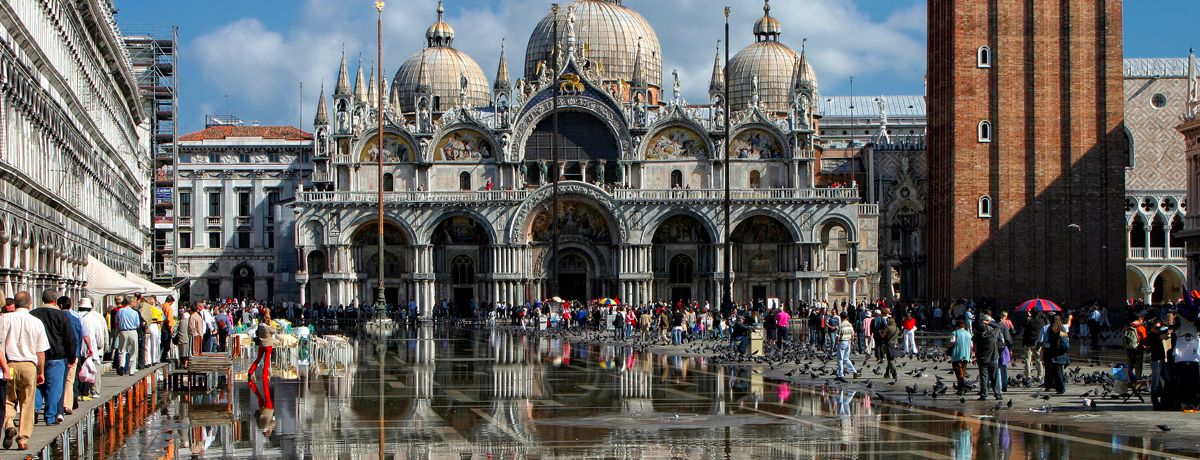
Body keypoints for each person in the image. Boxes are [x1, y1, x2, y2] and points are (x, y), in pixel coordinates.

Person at [0, 291, 48, 450]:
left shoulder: (5, 319)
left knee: (7, 399)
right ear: (29, 304)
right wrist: (41, 372)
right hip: (29, 365)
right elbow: (40, 352)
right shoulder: (36, 322)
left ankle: (8, 426)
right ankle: (22, 439)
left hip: (10, 364)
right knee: (27, 402)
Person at [30, 289, 76, 426]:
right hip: (57, 355)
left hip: (36, 355)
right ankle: (50, 417)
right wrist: (72, 356)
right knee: (54, 388)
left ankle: (35, 409)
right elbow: (70, 338)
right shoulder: (61, 316)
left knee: (37, 384)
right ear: (55, 301)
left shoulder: (33, 314)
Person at [58, 296, 87, 416]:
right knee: (70, 380)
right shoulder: (76, 319)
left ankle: (57, 406)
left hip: (58, 354)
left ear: (59, 305)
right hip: (73, 354)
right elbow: (80, 336)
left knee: (59, 381)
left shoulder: (57, 318)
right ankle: (67, 405)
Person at [77, 299, 106, 398]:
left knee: (79, 371)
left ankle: (79, 392)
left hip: (78, 349)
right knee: (93, 370)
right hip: (91, 349)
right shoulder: (94, 319)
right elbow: (99, 336)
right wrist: (100, 346)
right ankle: (94, 391)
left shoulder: (76, 316)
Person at [974, 314, 1003, 400]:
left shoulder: (977, 337)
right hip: (993, 358)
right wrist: (988, 322)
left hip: (982, 359)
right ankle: (998, 394)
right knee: (994, 377)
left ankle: (984, 395)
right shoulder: (992, 335)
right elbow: (998, 326)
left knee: (983, 377)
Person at [1042, 314, 1070, 395]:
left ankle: (1061, 388)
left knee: (1057, 371)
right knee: (1059, 370)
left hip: (1053, 353)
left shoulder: (1051, 328)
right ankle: (1060, 388)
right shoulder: (1062, 329)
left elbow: (1046, 342)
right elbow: (1066, 342)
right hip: (1061, 352)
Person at [113, 298, 141, 375]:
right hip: (133, 331)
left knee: (122, 350)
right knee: (133, 351)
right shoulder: (135, 312)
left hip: (123, 331)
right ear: (130, 303)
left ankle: (121, 365)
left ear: (123, 303)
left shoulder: (120, 311)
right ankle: (131, 369)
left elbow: (117, 322)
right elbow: (138, 324)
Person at [248, 310, 276, 380]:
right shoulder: (268, 327)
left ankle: (251, 371)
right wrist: (271, 324)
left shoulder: (260, 326)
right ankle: (265, 374)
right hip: (268, 345)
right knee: (266, 360)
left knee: (258, 359)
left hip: (261, 344)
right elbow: (274, 331)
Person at [949, 319, 973, 395]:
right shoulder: (969, 334)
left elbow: (952, 342)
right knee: (962, 371)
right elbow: (971, 346)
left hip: (957, 355)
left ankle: (962, 387)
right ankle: (961, 388)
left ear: (957, 326)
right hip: (966, 355)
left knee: (958, 372)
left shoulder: (955, 333)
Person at [1022, 311, 1046, 382]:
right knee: (1039, 359)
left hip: (1028, 342)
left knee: (1027, 359)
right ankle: (1040, 376)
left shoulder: (1029, 321)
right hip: (1037, 343)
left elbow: (1025, 331)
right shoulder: (1042, 322)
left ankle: (1028, 376)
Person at [835, 312, 858, 382]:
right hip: (848, 342)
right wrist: (851, 341)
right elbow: (852, 334)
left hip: (842, 342)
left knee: (840, 359)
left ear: (841, 317)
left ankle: (840, 374)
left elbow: (838, 336)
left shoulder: (841, 325)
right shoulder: (850, 324)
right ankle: (854, 371)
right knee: (846, 359)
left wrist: (836, 344)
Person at [881, 316, 899, 380]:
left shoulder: (888, 328)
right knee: (890, 359)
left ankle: (895, 374)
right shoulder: (897, 328)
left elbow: (883, 336)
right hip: (895, 344)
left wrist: (880, 332)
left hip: (888, 344)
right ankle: (887, 373)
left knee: (891, 360)